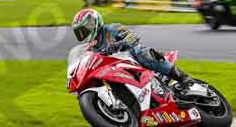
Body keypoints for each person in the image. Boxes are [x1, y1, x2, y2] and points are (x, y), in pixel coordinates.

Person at [71, 8, 200, 96]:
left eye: (85, 29)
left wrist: (118, 45)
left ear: (94, 23)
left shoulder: (112, 29)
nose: (84, 33)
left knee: (141, 53)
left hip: (132, 60)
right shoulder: (91, 48)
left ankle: (184, 79)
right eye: (80, 32)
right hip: (115, 71)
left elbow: (133, 37)